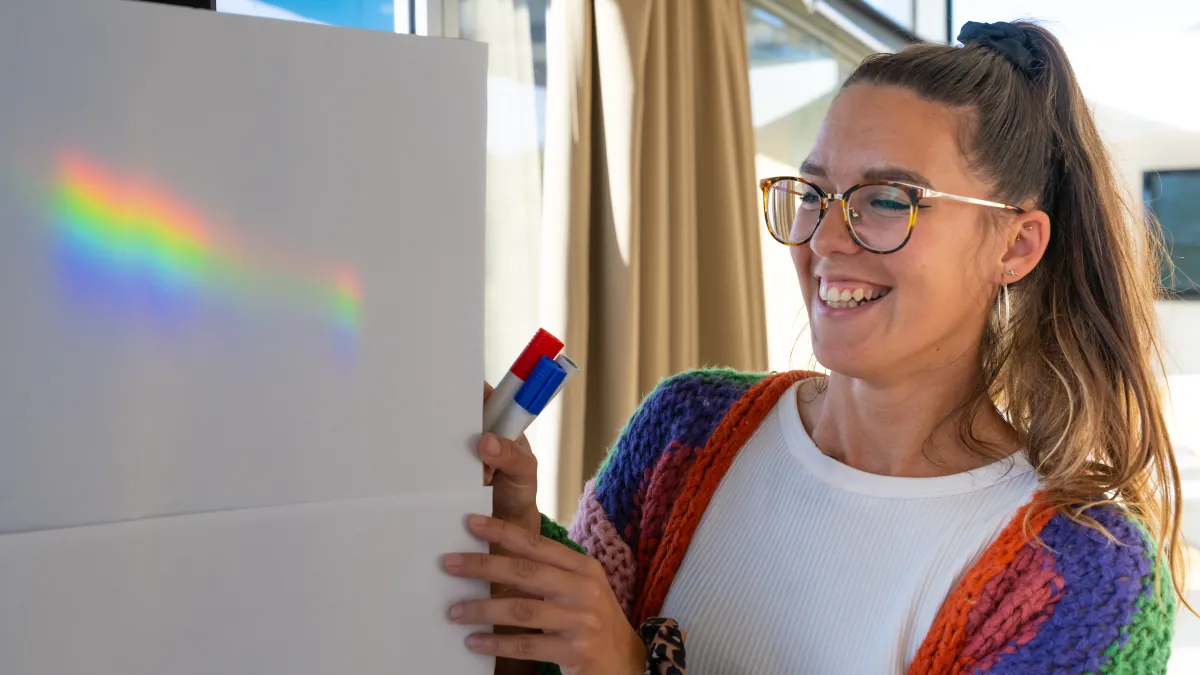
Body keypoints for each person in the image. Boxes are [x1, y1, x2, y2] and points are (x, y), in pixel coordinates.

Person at [441, 20, 1186, 674]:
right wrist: (509, 537)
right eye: (814, 194)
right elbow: (556, 658)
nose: (825, 239)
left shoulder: (1086, 572)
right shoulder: (684, 429)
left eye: (889, 200)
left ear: (1015, 245)